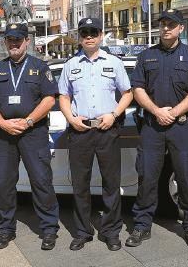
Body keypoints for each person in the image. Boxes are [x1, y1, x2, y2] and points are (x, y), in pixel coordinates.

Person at [126, 8, 188, 249]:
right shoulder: (146, 56)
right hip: (152, 124)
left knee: (186, 176)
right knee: (147, 176)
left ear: (180, 29)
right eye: (162, 24)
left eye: (171, 25)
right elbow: (137, 89)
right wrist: (156, 111)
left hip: (182, 125)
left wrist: (173, 112)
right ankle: (141, 226)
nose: (166, 28)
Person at [0, 23, 60, 251]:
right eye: (10, 40)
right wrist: (2, 122)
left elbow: (49, 99)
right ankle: (6, 229)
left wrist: (28, 121)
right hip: (4, 135)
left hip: (33, 133)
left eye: (18, 39)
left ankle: (48, 229)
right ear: (5, 42)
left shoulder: (39, 66)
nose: (14, 43)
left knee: (41, 181)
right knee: (5, 184)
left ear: (27, 41)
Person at [58, 17, 133, 252]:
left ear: (101, 35)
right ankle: (82, 232)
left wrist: (114, 114)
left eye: (93, 32)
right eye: (84, 33)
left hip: (107, 128)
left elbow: (128, 93)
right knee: (80, 184)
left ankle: (111, 231)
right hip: (80, 131)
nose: (89, 36)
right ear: (79, 37)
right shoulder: (71, 65)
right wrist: (71, 118)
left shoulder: (114, 63)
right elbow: (63, 96)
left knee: (111, 183)